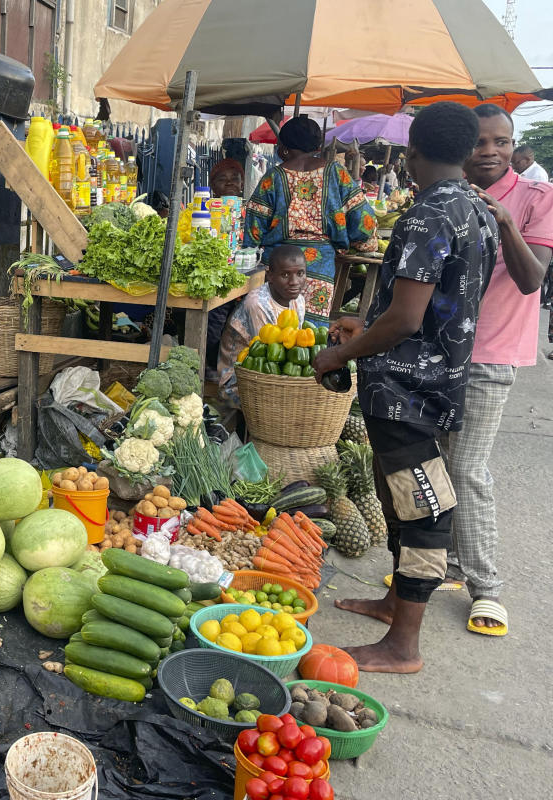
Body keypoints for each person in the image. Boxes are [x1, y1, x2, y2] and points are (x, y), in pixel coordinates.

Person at [313, 102, 498, 673]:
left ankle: (403, 646)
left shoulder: (428, 215)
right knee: (400, 494)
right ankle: (395, 601)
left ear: (412, 152)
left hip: (408, 391)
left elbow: (407, 320)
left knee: (422, 507)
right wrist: (366, 328)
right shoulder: (477, 208)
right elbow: (434, 308)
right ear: (468, 151)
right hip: (434, 379)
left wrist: (342, 351)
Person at [446, 104, 553, 636]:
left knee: (467, 468)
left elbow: (532, 279)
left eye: (502, 141)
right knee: (438, 463)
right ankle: (444, 563)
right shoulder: (446, 194)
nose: (490, 150)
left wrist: (503, 220)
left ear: (514, 146)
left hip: (491, 353)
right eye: (480, 141)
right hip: (440, 350)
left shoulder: (536, 198)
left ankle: (486, 587)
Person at [244, 117, 379, 327]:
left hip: (279, 268)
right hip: (319, 267)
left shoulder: (274, 176)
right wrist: (357, 243)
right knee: (311, 335)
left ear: (284, 147)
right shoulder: (336, 172)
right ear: (317, 146)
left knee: (272, 333)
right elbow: (364, 222)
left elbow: (253, 227)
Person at [215, 244, 308, 408]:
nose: (294, 282)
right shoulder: (257, 304)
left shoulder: (298, 300)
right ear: (270, 276)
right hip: (238, 381)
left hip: (269, 377)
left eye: (300, 274)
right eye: (285, 275)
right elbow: (269, 358)